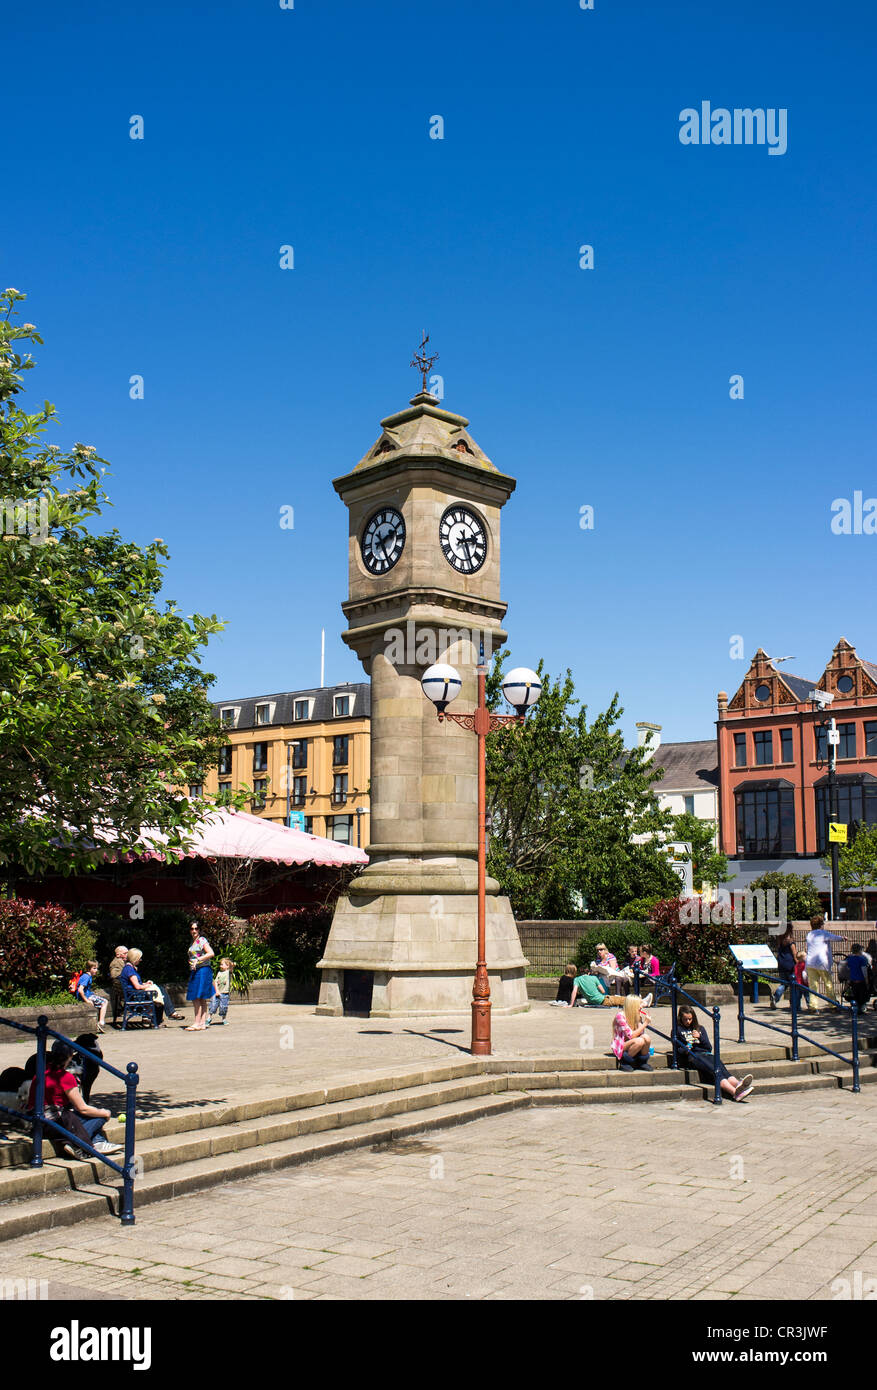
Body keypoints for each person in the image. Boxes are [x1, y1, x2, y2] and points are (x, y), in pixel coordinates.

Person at [27, 1041, 121, 1158]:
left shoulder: (42, 1073)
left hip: (37, 1121)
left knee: (80, 1115)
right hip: (53, 1123)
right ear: (70, 1056)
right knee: (99, 1116)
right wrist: (105, 1113)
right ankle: (78, 1143)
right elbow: (82, 1108)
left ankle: (98, 1141)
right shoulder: (65, 1077)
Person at [674, 1005, 754, 1101]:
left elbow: (708, 1047)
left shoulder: (700, 1028)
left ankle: (738, 1084)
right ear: (680, 1019)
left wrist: (700, 1037)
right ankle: (734, 1092)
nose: (688, 1022)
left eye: (690, 1019)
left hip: (706, 1054)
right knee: (715, 1071)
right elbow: (677, 1050)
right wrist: (687, 1048)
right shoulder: (677, 1030)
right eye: (685, 1019)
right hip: (693, 1056)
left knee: (722, 1069)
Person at [805, 914, 845, 1009]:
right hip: (822, 963)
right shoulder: (823, 933)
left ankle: (813, 1006)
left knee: (813, 986)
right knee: (828, 984)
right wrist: (843, 938)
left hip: (810, 962)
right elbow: (835, 938)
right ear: (821, 925)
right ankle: (833, 1005)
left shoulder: (809, 935)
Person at [120, 949, 167, 1026]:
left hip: (133, 994)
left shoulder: (129, 968)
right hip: (135, 996)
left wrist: (145, 983)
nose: (141, 960)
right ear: (134, 958)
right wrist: (147, 985)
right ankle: (158, 1021)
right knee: (159, 994)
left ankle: (166, 1015)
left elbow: (136, 984)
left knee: (160, 990)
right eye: (139, 958)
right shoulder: (129, 970)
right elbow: (137, 986)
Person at [185, 923, 215, 1030]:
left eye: (196, 928)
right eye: (192, 928)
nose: (194, 931)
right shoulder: (192, 942)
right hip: (196, 970)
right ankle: (202, 1023)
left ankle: (197, 1022)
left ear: (199, 930)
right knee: (200, 997)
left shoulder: (201, 940)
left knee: (197, 996)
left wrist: (198, 960)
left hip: (203, 970)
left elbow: (211, 953)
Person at [612, 995, 653, 1070]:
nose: (641, 1007)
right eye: (639, 1005)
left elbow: (641, 1033)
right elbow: (631, 1036)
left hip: (633, 1042)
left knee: (646, 1038)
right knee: (640, 1041)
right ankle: (625, 1061)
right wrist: (645, 1023)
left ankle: (642, 1062)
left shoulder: (635, 1015)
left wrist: (639, 1021)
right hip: (621, 1044)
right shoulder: (620, 1016)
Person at [75, 960, 109, 1033]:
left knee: (99, 1001)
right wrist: (87, 1000)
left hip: (89, 995)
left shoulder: (88, 976)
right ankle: (101, 1022)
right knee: (104, 1002)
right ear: (88, 968)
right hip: (86, 997)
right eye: (94, 968)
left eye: (96, 968)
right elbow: (80, 990)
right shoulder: (86, 977)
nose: (96, 970)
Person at [770, 928, 797, 1010]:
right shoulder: (791, 943)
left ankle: (775, 997)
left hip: (781, 964)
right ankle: (793, 1003)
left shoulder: (780, 942)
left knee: (783, 983)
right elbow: (794, 954)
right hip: (790, 965)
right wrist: (798, 963)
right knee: (793, 985)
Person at [844, 944, 871, 1015]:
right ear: (860, 950)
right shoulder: (862, 959)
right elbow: (864, 972)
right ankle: (861, 1008)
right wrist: (867, 981)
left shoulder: (849, 959)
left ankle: (855, 1007)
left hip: (853, 981)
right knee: (862, 996)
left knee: (855, 995)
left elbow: (848, 970)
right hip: (861, 981)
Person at [207, 958, 233, 1025]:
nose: (220, 965)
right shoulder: (219, 973)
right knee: (213, 1005)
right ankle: (209, 1018)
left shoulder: (228, 973)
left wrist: (231, 964)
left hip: (224, 993)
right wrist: (217, 991)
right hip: (216, 993)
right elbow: (215, 982)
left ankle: (224, 1019)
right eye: (220, 964)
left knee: (223, 1007)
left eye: (222, 964)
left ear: (227, 966)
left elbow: (231, 967)